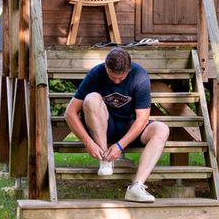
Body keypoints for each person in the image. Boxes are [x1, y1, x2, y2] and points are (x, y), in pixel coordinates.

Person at [64, 47, 169, 202]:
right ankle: (105, 159)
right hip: (104, 126)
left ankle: (136, 187)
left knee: (162, 129)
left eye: (121, 78)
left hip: (130, 127)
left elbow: (142, 119)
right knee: (91, 98)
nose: (116, 81)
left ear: (129, 68)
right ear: (106, 67)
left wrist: (120, 146)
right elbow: (70, 113)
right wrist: (89, 142)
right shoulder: (96, 73)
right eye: (112, 77)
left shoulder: (139, 76)